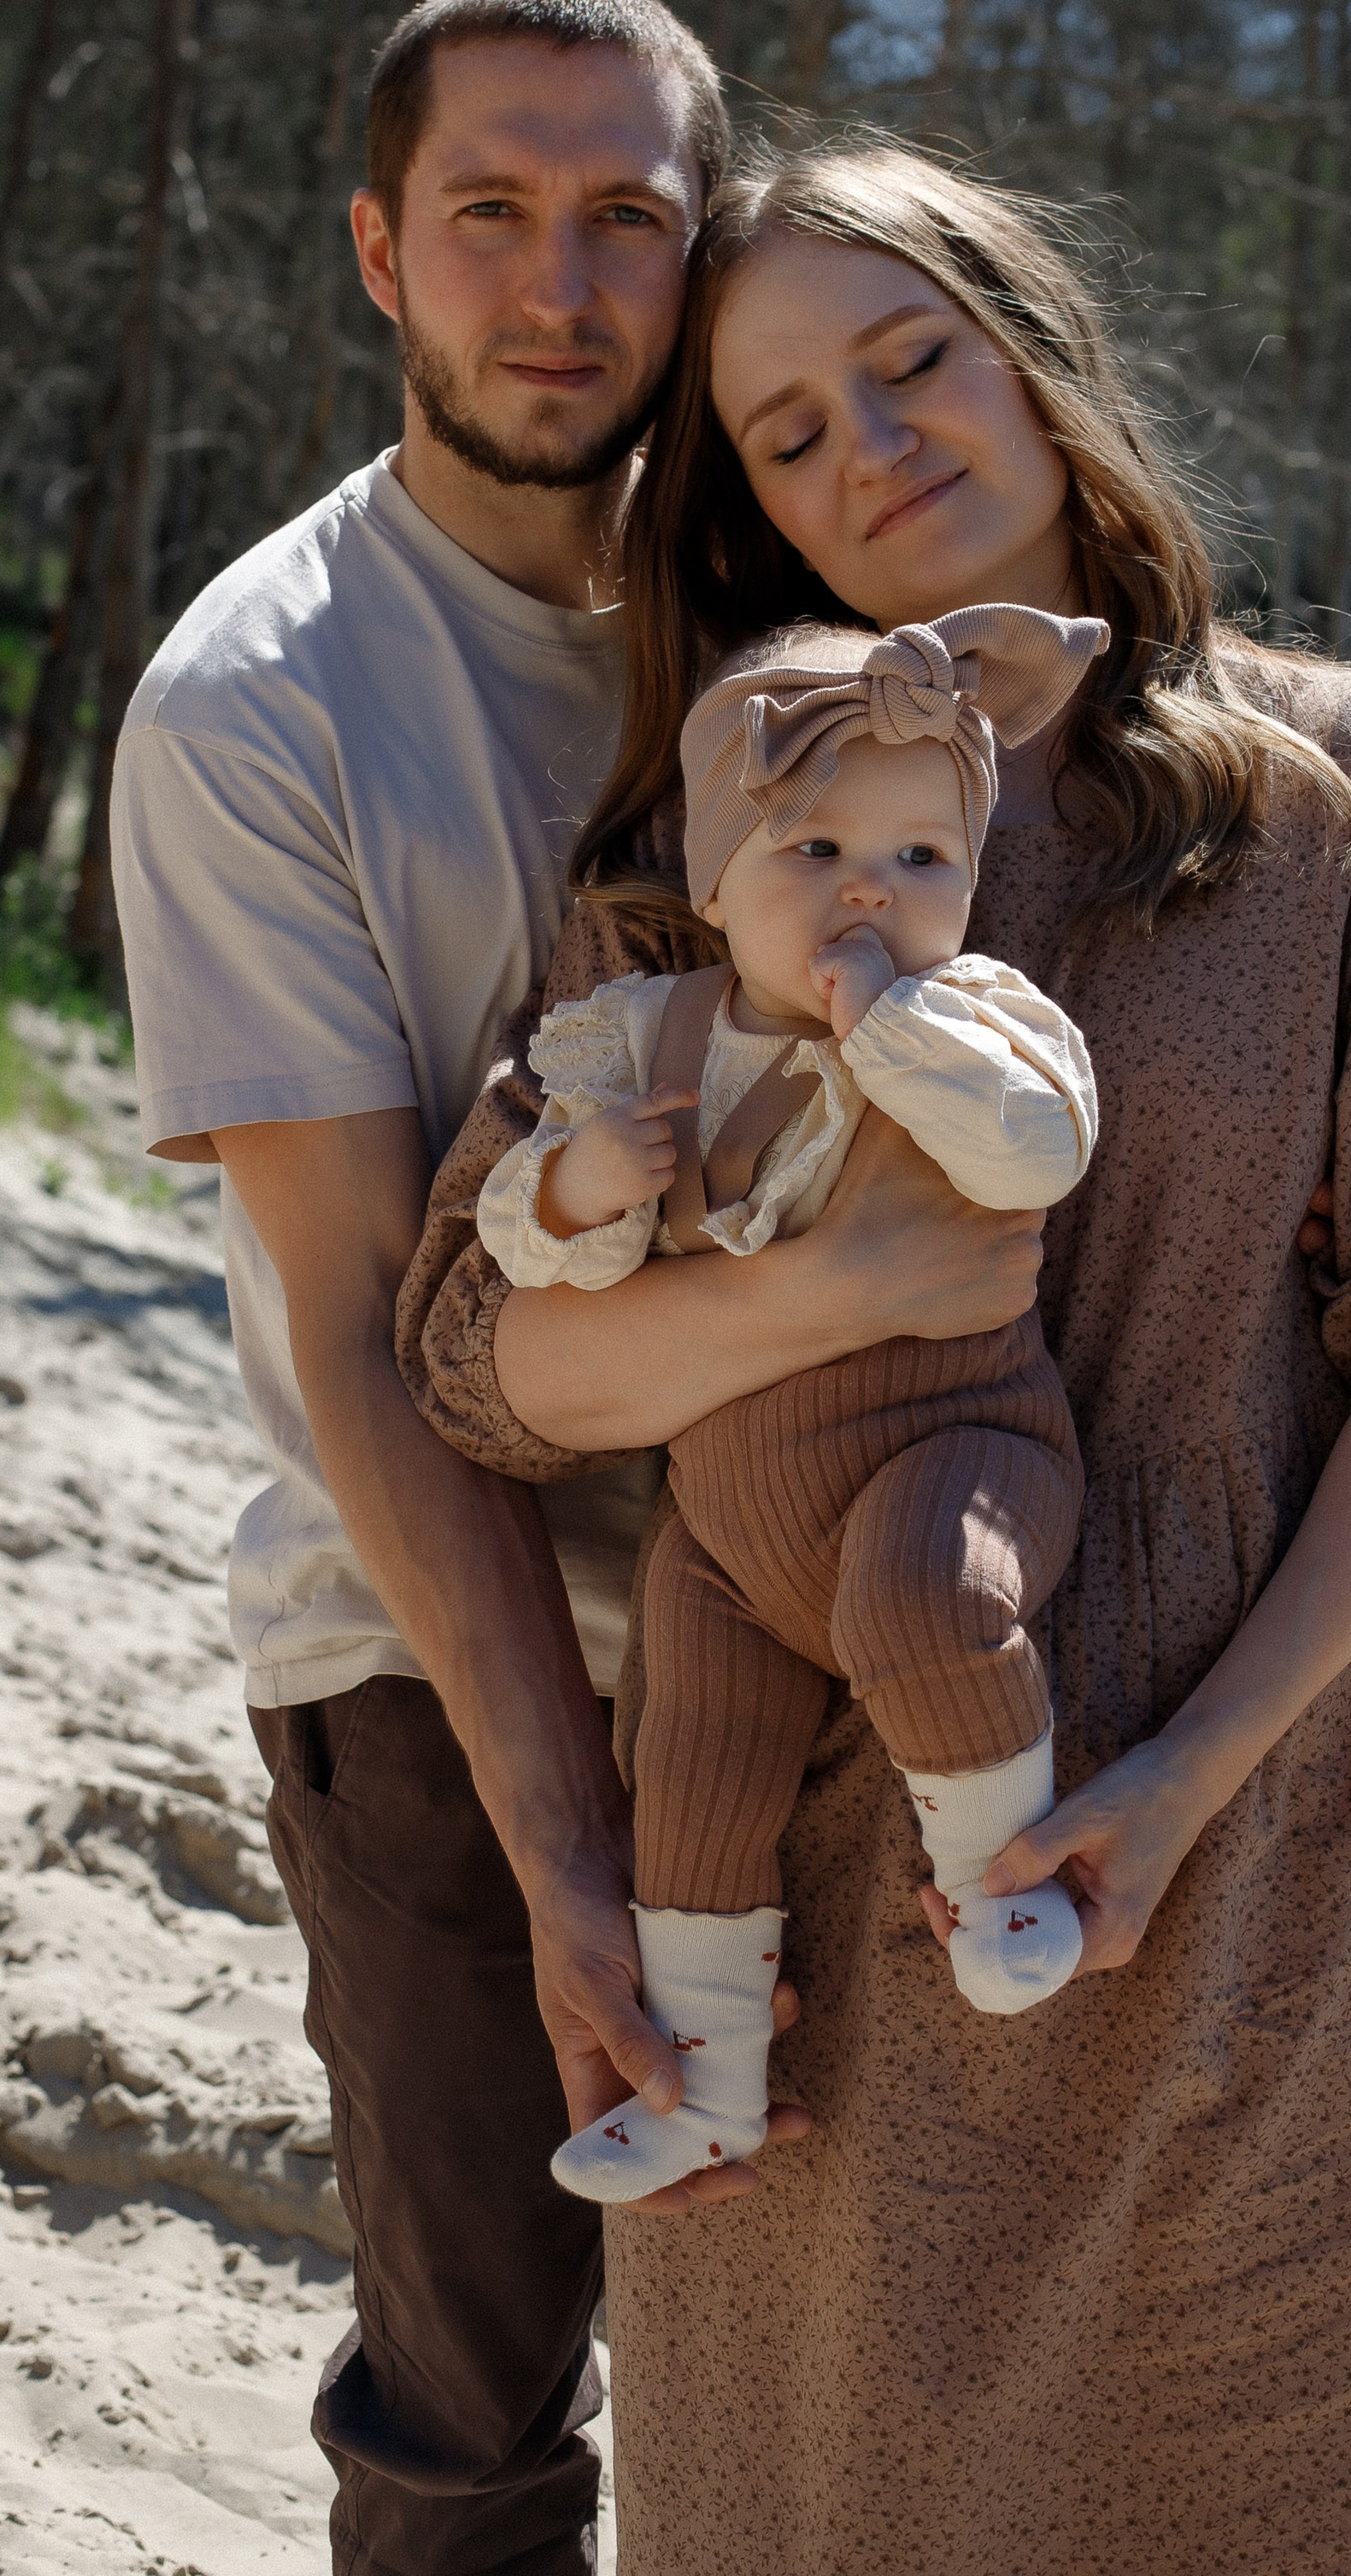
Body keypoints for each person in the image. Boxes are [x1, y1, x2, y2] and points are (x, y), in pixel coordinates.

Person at [401, 140, 1351, 2576]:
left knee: (1270, 2490)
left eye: (909, 359)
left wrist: (1185, 1774)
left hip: (1236, 1837)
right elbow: (490, 1372)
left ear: (1037, 349)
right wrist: (810, 1297)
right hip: (787, 1848)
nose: (872, 448)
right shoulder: (712, 834)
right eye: (783, 431)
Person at [108, 0, 760, 2576]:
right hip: (419, 1666)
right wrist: (560, 1847)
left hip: (782, 1619)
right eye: (491, 211)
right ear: (382, 254)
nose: (561, 283)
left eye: (628, 217)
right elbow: (371, 1341)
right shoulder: (256, 704)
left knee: (808, 2326)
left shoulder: (779, 608)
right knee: (478, 2406)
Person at [470, 604, 1103, 2203]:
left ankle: (1004, 1880)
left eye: (923, 858)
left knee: (929, 1593)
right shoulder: (645, 1035)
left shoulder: (983, 1018)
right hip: (730, 1522)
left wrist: (892, 1030)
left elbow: (1038, 1152)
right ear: (710, 879)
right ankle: (702, 2085)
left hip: (950, 1442)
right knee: (685, 1770)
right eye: (813, 846)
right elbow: (521, 1251)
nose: (870, 891)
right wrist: (575, 1188)